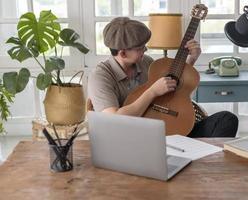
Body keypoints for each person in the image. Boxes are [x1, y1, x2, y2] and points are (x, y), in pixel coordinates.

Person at [88, 17, 238, 137]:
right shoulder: (100, 77)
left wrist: (191, 59)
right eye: (140, 48)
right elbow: (115, 120)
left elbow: (173, 87)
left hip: (167, 126)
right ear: (122, 53)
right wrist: (152, 92)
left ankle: (202, 164)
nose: (145, 50)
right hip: (136, 137)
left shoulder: (146, 62)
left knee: (227, 119)